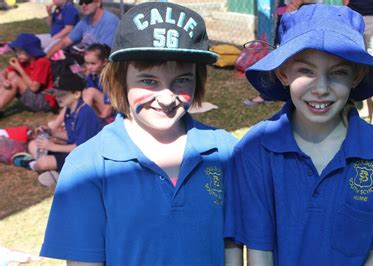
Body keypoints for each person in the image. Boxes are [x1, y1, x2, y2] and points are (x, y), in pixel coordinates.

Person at [40, 2, 240, 265]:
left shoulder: (225, 151)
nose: (167, 98)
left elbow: (232, 246)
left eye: (182, 80)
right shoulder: (87, 165)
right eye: (149, 81)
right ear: (120, 78)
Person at [225, 4, 373, 265]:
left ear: (356, 76)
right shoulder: (256, 147)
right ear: (283, 73)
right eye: (306, 71)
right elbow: (259, 251)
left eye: (338, 73)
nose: (321, 88)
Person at [12, 72, 103, 187]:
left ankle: (32, 164)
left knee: (43, 163)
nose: (57, 98)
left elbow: (81, 147)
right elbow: (71, 136)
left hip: (86, 158)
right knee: (33, 145)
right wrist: (52, 132)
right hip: (74, 152)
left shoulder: (84, 113)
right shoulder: (70, 110)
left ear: (76, 94)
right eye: (56, 94)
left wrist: (51, 146)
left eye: (62, 95)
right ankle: (57, 172)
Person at [0, 33, 56, 113]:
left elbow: (34, 88)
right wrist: (3, 80)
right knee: (10, 75)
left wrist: (19, 69)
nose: (18, 54)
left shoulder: (42, 62)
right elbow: (3, 72)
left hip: (45, 101)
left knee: (15, 79)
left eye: (21, 51)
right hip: (34, 96)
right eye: (17, 51)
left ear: (31, 51)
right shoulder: (23, 60)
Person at [46, 0, 119, 59]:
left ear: (98, 2)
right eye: (81, 2)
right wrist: (45, 59)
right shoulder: (85, 21)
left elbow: (104, 52)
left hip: (102, 65)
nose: (83, 5)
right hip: (87, 60)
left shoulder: (110, 21)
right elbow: (64, 42)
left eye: (87, 1)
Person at [82, 43, 114, 123]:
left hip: (114, 112)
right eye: (87, 63)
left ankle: (83, 120)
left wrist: (103, 117)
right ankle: (82, 119)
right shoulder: (92, 76)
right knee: (84, 92)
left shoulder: (109, 75)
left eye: (93, 63)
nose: (89, 67)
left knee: (91, 91)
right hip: (102, 108)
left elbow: (111, 102)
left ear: (104, 62)